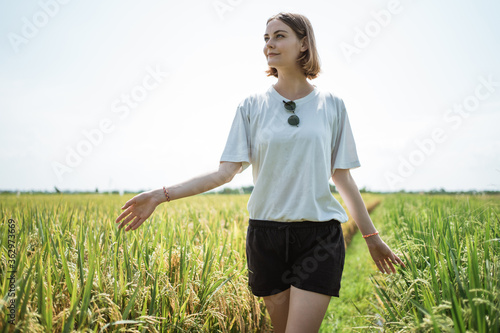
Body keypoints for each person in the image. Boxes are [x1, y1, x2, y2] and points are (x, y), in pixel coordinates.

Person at [115, 11, 405, 333]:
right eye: (266, 38)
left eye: (280, 36)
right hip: (266, 237)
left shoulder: (332, 105)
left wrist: (371, 237)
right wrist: (160, 195)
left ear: (304, 43)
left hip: (319, 237)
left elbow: (342, 178)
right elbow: (224, 174)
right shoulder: (251, 106)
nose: (270, 44)